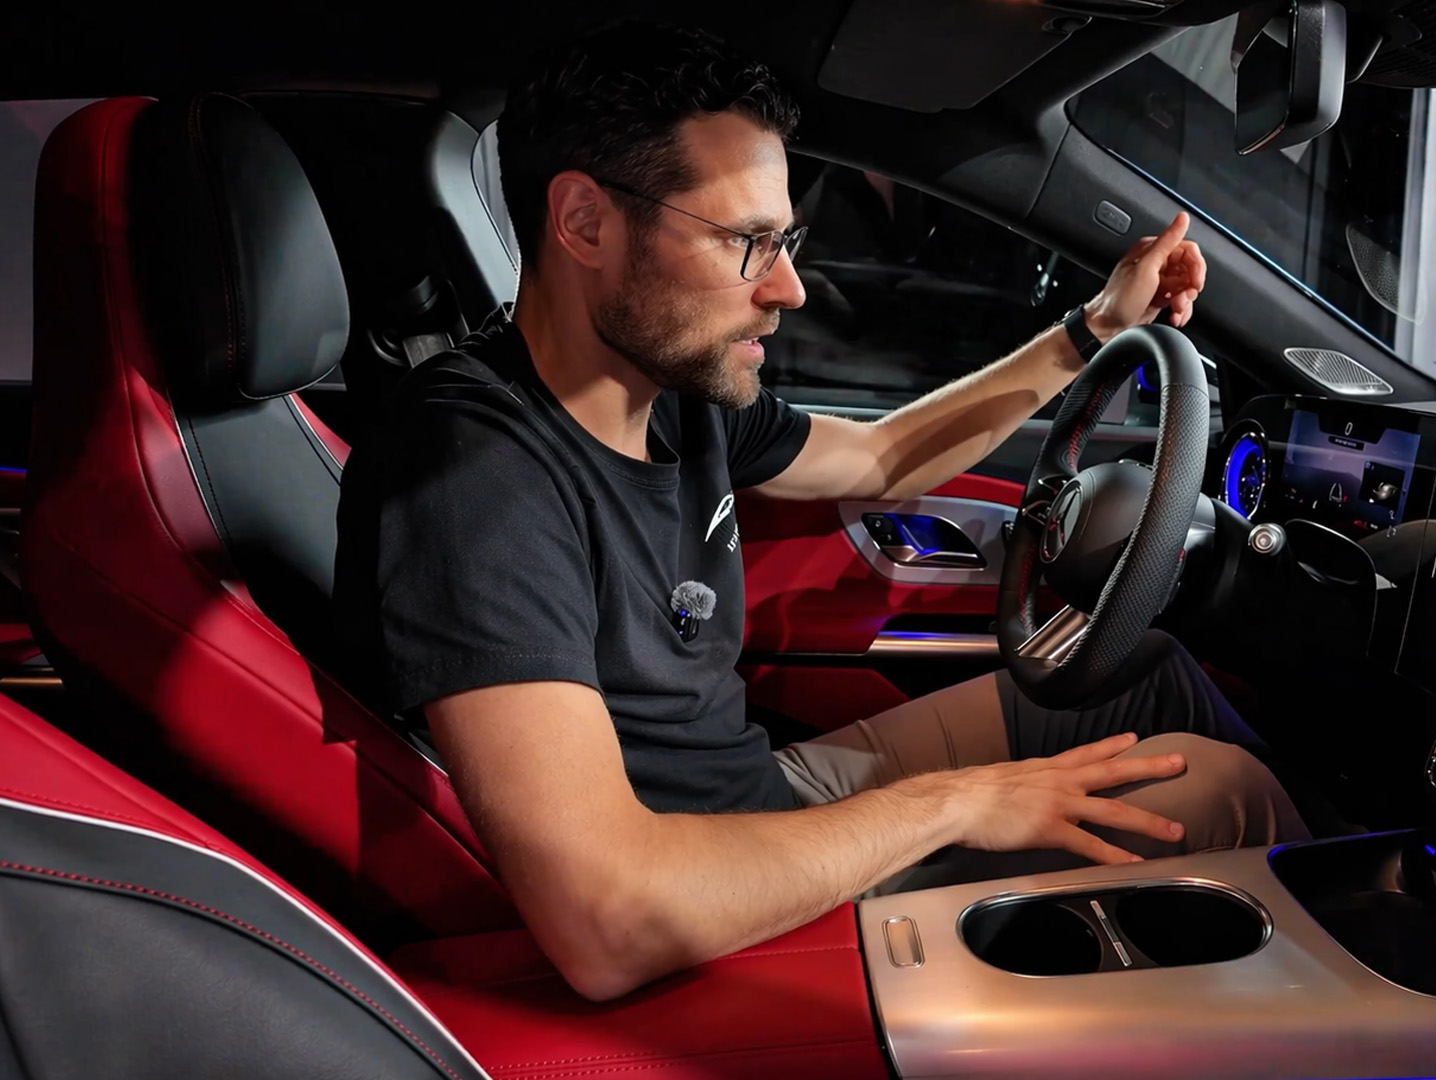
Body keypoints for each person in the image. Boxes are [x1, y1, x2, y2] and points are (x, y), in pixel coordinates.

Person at [334, 21, 1307, 1002]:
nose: (790, 287)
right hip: (714, 891)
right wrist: (956, 806)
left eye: (785, 240)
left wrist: (1093, 328)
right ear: (585, 222)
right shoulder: (474, 473)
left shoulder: (670, 392)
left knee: (1144, 678)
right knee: (1220, 796)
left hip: (766, 793)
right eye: (747, 242)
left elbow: (887, 456)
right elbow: (609, 921)